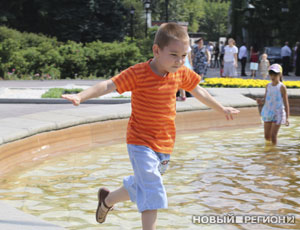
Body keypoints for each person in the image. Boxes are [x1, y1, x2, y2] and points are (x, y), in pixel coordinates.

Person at [61, 22, 240, 230]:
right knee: (153, 189)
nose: (180, 61)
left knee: (141, 186)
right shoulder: (138, 73)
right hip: (140, 143)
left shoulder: (180, 72)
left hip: (164, 144)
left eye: (183, 56)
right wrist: (80, 96)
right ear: (156, 50)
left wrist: (221, 108)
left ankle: (107, 200)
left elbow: (200, 91)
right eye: (174, 55)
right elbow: (109, 84)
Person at [257, 64, 289, 145]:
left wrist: (287, 118)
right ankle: (268, 150)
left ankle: (274, 153)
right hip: (268, 112)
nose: (273, 76)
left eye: (275, 74)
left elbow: (286, 102)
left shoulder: (282, 87)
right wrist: (261, 101)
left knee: (273, 135)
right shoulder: (268, 86)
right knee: (267, 136)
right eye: (271, 74)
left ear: (280, 74)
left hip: (278, 113)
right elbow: (266, 98)